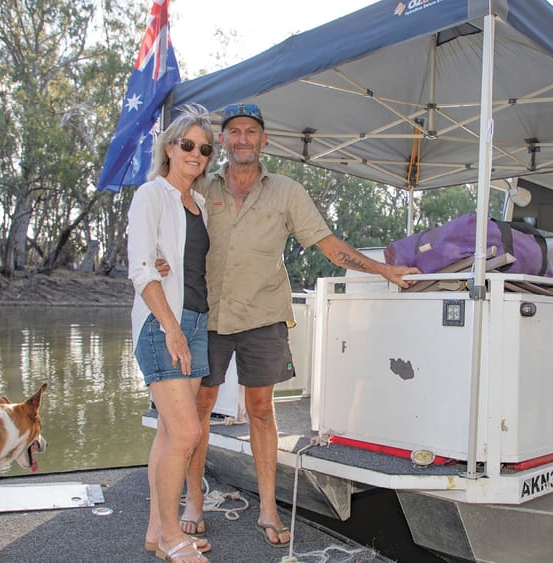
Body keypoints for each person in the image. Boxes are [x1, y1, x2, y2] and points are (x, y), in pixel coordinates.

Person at [176, 102, 420, 547]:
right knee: (200, 409)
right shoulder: (200, 186)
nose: (243, 139)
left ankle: (268, 507)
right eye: (234, 132)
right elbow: (171, 230)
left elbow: (327, 244)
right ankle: (193, 500)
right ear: (223, 141)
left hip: (264, 316)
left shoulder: (287, 191)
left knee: (262, 411)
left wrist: (382, 270)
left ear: (264, 140)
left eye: (251, 131)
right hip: (207, 314)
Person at [128, 104, 216, 563]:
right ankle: (169, 538)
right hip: (163, 324)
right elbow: (142, 271)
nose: (196, 153)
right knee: (186, 433)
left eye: (204, 149)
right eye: (188, 145)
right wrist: (171, 329)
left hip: (197, 321)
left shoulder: (197, 204)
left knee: (167, 431)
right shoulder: (151, 195)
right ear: (169, 148)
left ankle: (154, 531)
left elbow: (184, 264)